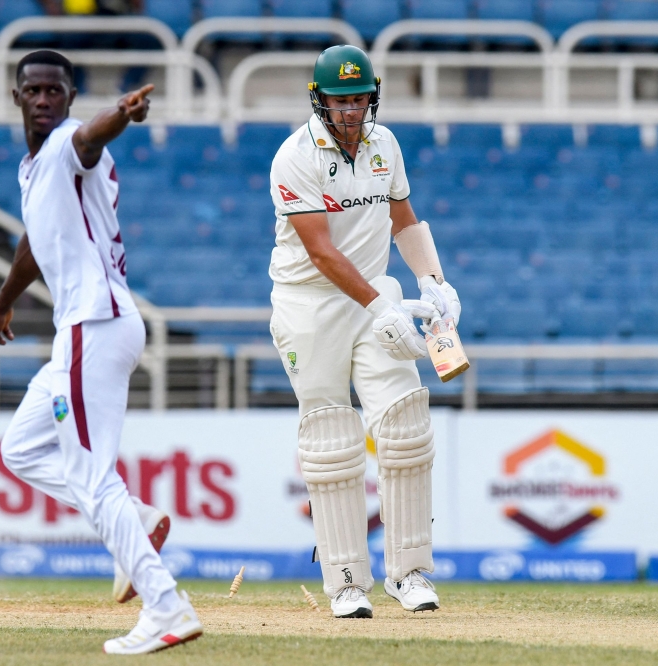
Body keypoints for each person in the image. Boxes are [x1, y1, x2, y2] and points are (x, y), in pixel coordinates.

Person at [0, 50, 202, 655]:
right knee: (20, 449)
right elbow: (33, 242)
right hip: (91, 329)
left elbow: (94, 137)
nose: (44, 99)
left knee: (92, 479)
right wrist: (2, 303)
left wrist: (122, 113)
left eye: (55, 90)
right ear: (17, 97)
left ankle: (166, 605)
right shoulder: (34, 168)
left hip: (93, 324)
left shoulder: (71, 140)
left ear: (70, 99)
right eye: (34, 90)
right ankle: (142, 519)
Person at [267, 44, 462, 618]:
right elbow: (322, 252)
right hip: (311, 305)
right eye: (339, 101)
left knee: (404, 425)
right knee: (332, 439)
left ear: (371, 96)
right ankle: (348, 583)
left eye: (358, 100)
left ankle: (410, 574)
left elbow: (402, 218)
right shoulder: (295, 155)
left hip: (377, 295)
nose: (350, 111)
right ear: (319, 100)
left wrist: (433, 282)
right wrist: (382, 305)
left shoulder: (386, 144)